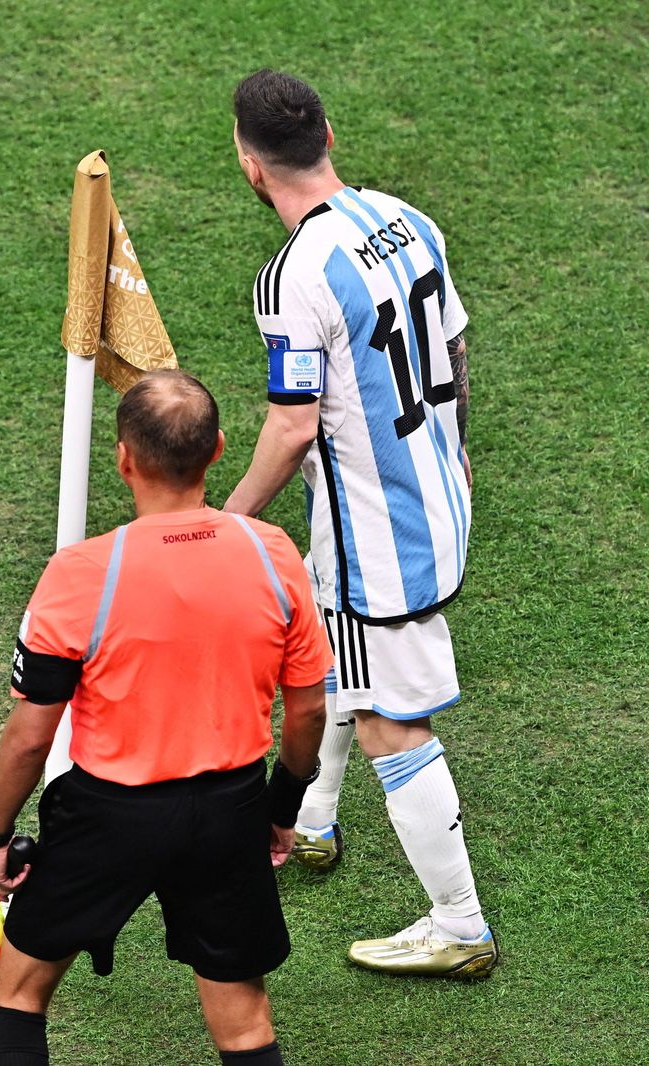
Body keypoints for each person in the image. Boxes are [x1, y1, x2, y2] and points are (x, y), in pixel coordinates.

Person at [222, 68, 498, 978]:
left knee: (393, 723)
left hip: (383, 536)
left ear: (250, 166)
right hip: (438, 491)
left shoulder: (293, 276)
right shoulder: (407, 218)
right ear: (328, 133)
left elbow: (293, 423)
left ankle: (459, 924)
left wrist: (230, 520)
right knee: (333, 643)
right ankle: (310, 821)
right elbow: (452, 350)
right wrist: (456, 451)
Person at [0, 370, 331, 1066]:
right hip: (228, 811)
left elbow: (29, 737)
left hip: (108, 816)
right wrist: (280, 805)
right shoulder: (274, 553)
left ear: (122, 459)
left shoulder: (80, 573)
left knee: (18, 993)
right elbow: (309, 708)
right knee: (245, 1024)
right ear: (219, 449)